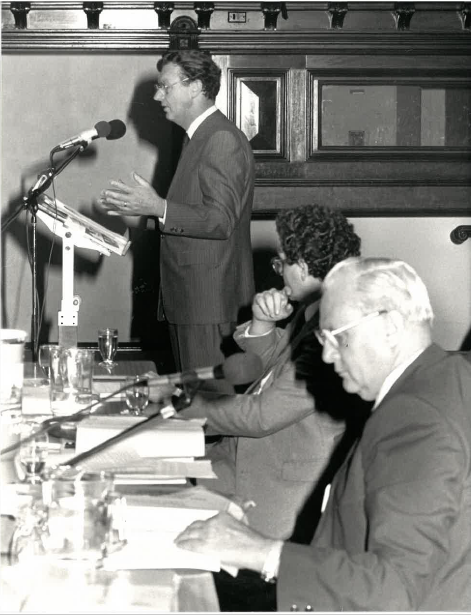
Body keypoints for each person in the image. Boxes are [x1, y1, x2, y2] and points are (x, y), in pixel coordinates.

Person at [175, 257, 471, 612]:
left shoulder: (416, 418)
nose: (328, 355)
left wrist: (260, 551)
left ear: (390, 327)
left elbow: (396, 590)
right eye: (321, 336)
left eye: (337, 337)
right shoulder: (445, 378)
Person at [179, 204, 369, 544]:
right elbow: (277, 369)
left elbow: (262, 416)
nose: (279, 271)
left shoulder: (335, 330)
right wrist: (263, 323)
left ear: (305, 267)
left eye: (282, 262)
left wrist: (182, 408)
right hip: (236, 463)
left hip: (273, 494)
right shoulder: (316, 308)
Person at [98, 50, 255, 389]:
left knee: (208, 412)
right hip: (191, 300)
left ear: (195, 86)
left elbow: (220, 220)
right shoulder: (199, 138)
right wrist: (147, 213)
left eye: (165, 87)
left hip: (207, 304)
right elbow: (195, 214)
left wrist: (159, 207)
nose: (157, 96)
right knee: (196, 409)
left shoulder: (220, 139)